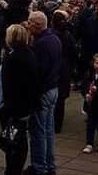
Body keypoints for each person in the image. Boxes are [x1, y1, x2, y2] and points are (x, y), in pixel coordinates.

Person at [0, 24, 40, 175]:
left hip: (14, 107)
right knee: (19, 139)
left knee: (13, 140)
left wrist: (7, 107)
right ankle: (14, 168)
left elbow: (9, 85)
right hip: (24, 106)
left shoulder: (12, 58)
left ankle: (12, 170)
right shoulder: (29, 54)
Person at [27, 11, 62, 175]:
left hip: (44, 91)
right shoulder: (54, 38)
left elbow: (38, 71)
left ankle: (39, 167)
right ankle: (49, 165)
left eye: (29, 22)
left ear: (37, 24)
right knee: (48, 130)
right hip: (53, 89)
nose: (27, 25)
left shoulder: (41, 43)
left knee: (38, 132)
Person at [51, 10, 77, 134]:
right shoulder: (68, 35)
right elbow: (74, 53)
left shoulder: (51, 35)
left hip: (54, 68)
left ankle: (51, 122)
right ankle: (57, 125)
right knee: (60, 99)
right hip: (64, 68)